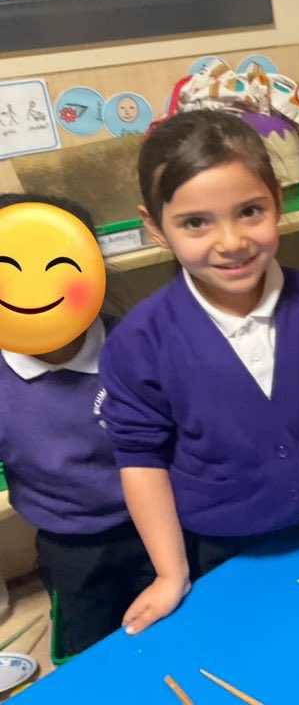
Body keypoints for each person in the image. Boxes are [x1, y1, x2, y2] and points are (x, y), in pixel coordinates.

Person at [101, 110, 299, 635]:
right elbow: (140, 460)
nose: (231, 241)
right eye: (196, 222)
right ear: (154, 227)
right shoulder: (139, 343)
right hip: (226, 548)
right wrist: (170, 573)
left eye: (249, 211)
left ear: (278, 201)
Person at [0, 193, 154, 656]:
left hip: (161, 524)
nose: (34, 287)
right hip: (69, 546)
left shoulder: (137, 344)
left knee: (172, 631)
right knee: (88, 652)